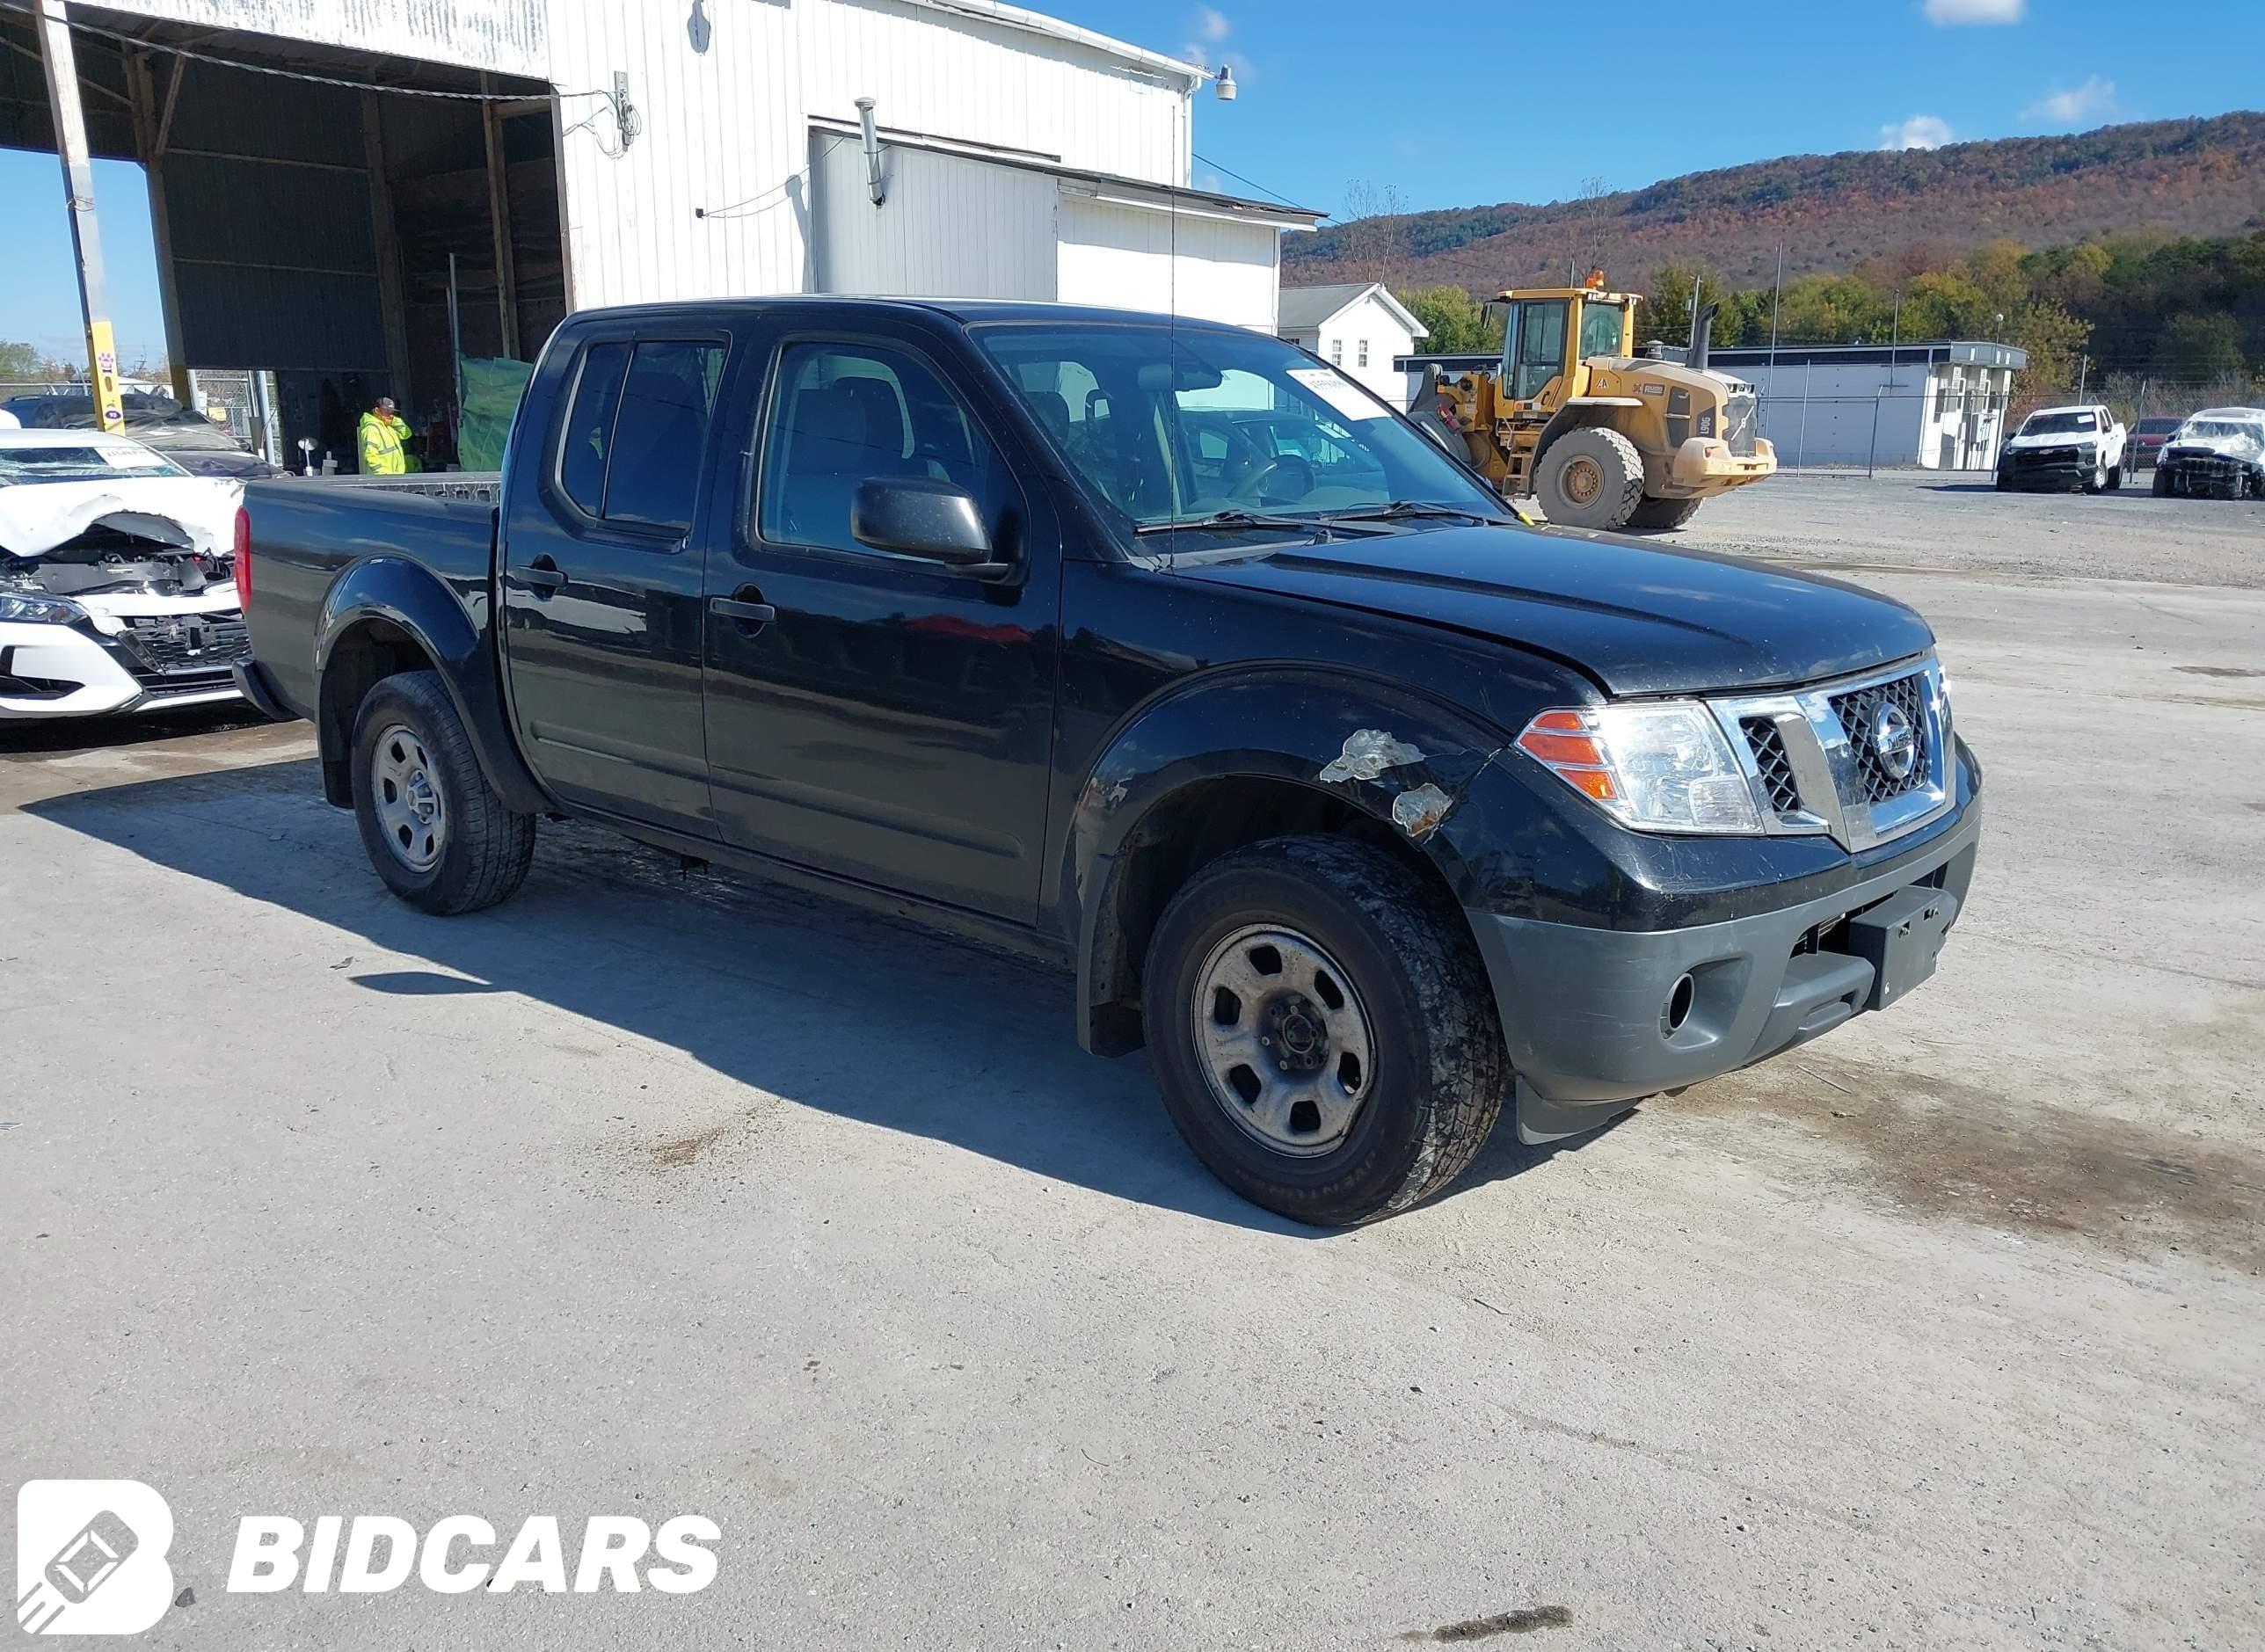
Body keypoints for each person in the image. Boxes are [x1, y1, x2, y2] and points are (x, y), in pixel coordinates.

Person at [356, 395, 418, 476]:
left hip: (395, 475)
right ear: (377, 411)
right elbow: (371, 454)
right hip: (383, 477)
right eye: (387, 411)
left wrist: (394, 421)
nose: (390, 414)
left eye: (392, 411)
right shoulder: (371, 429)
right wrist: (381, 475)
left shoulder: (388, 426)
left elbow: (406, 434)